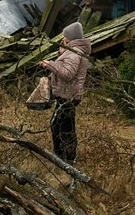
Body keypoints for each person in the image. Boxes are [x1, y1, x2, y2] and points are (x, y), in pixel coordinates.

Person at [39, 21, 91, 163]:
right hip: (68, 94)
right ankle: (64, 156)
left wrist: (49, 64)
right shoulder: (73, 51)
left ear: (70, 38)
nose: (62, 39)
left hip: (68, 95)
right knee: (61, 125)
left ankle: (65, 158)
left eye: (65, 37)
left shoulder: (75, 53)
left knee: (61, 126)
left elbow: (68, 73)